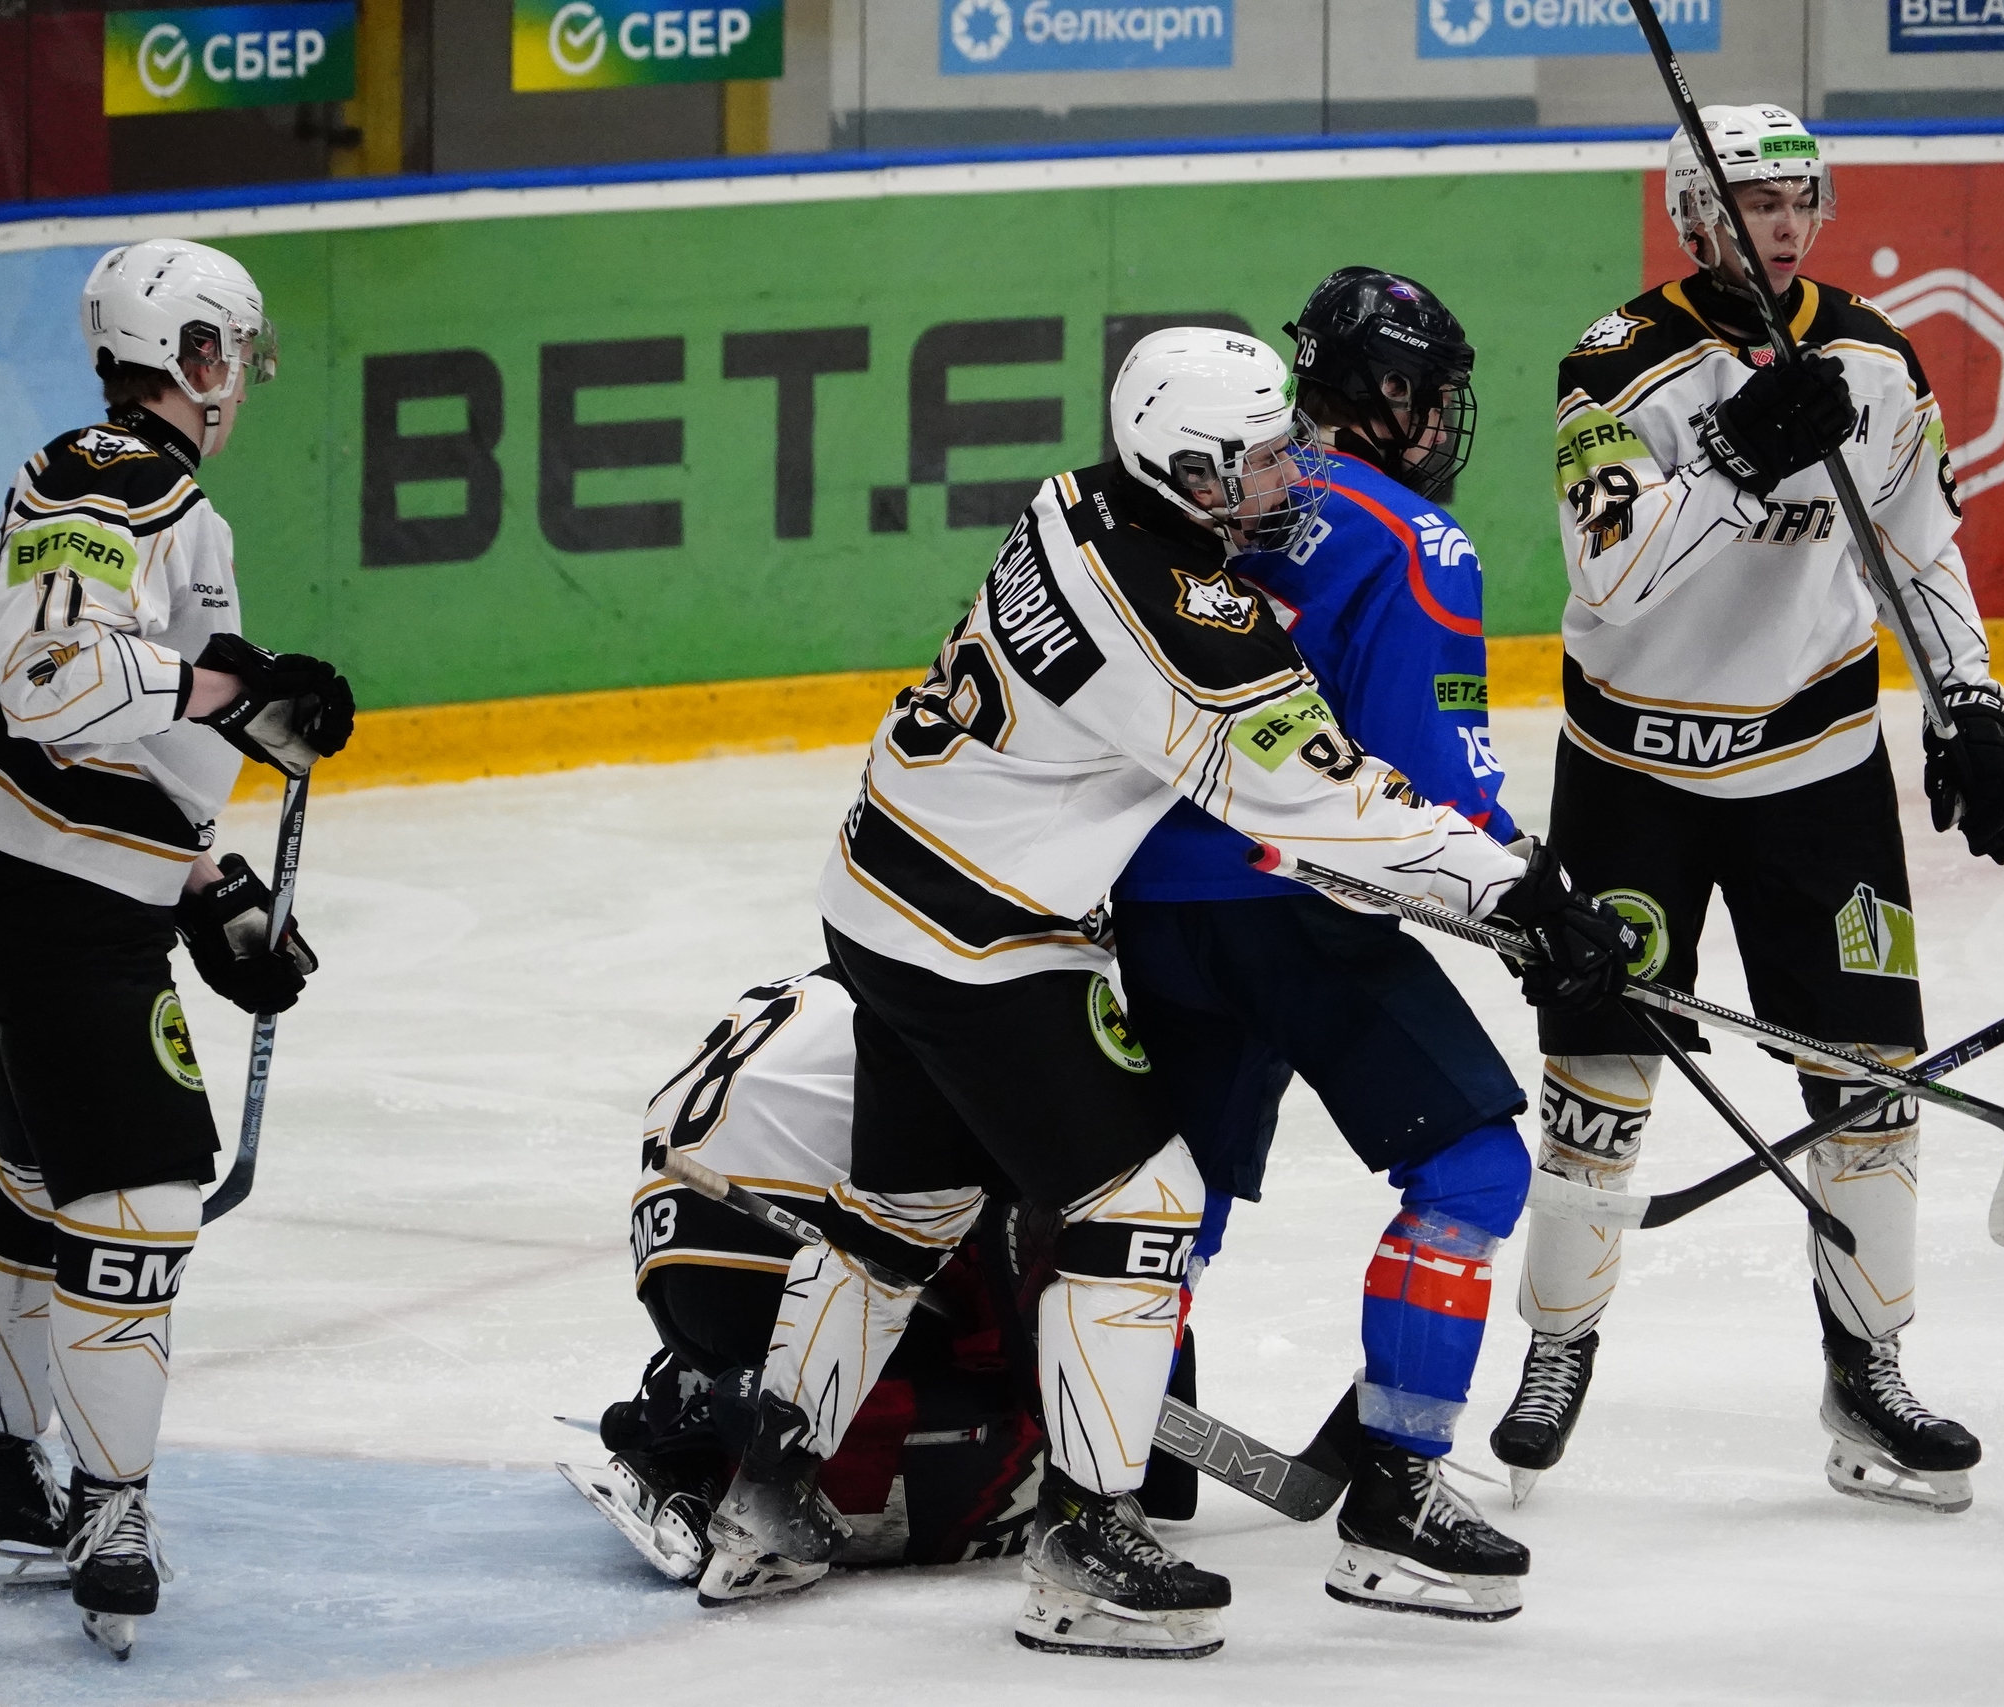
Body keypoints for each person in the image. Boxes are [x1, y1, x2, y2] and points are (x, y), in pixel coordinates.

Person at [709, 327, 1633, 1659]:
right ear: (1189, 472)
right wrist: (1524, 892)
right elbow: (1329, 803)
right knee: (1142, 1207)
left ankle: (764, 1493)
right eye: (1257, 461)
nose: (1289, 476)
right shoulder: (1181, 623)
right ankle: (1086, 1542)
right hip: (980, 939)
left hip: (877, 888)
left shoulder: (1076, 498)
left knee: (905, 1212)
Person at [1490, 103, 2004, 1513]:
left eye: (1799, 201)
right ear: (1692, 216)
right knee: (1598, 1087)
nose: (1781, 227)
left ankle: (1869, 1367)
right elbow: (1613, 579)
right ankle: (1557, 1348)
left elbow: (1918, 548)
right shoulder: (1615, 366)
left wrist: (1969, 699)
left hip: (1818, 770)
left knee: (1871, 1083)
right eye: (1750, 202)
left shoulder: (1873, 355)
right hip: (1635, 780)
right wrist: (1733, 462)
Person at [0, 239, 354, 1659]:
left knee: (45, 1176)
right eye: (233, 355)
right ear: (196, 356)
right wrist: (225, 686)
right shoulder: (116, 481)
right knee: (142, 1194)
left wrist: (205, 886)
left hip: (26, 871)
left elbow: (122, 729)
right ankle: (109, 1508)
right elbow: (48, 677)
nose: (239, 382)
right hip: (44, 892)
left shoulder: (137, 489)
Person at [1111, 269, 1536, 1620]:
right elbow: (1432, 790)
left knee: (1169, 1201)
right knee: (1472, 1166)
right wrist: (1544, 903)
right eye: (1435, 396)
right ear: (1389, 396)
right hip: (1294, 906)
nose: (1445, 424)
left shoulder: (1203, 496)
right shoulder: (1413, 539)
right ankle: (1397, 1499)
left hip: (1143, 900)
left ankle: (1122, 1465)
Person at [569, 966, 1062, 1595]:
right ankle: (724, 1437)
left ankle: (682, 1411)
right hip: (777, 1249)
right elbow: (1011, 1224)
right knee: (980, 1387)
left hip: (669, 1259)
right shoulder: (986, 990)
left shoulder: (861, 968)